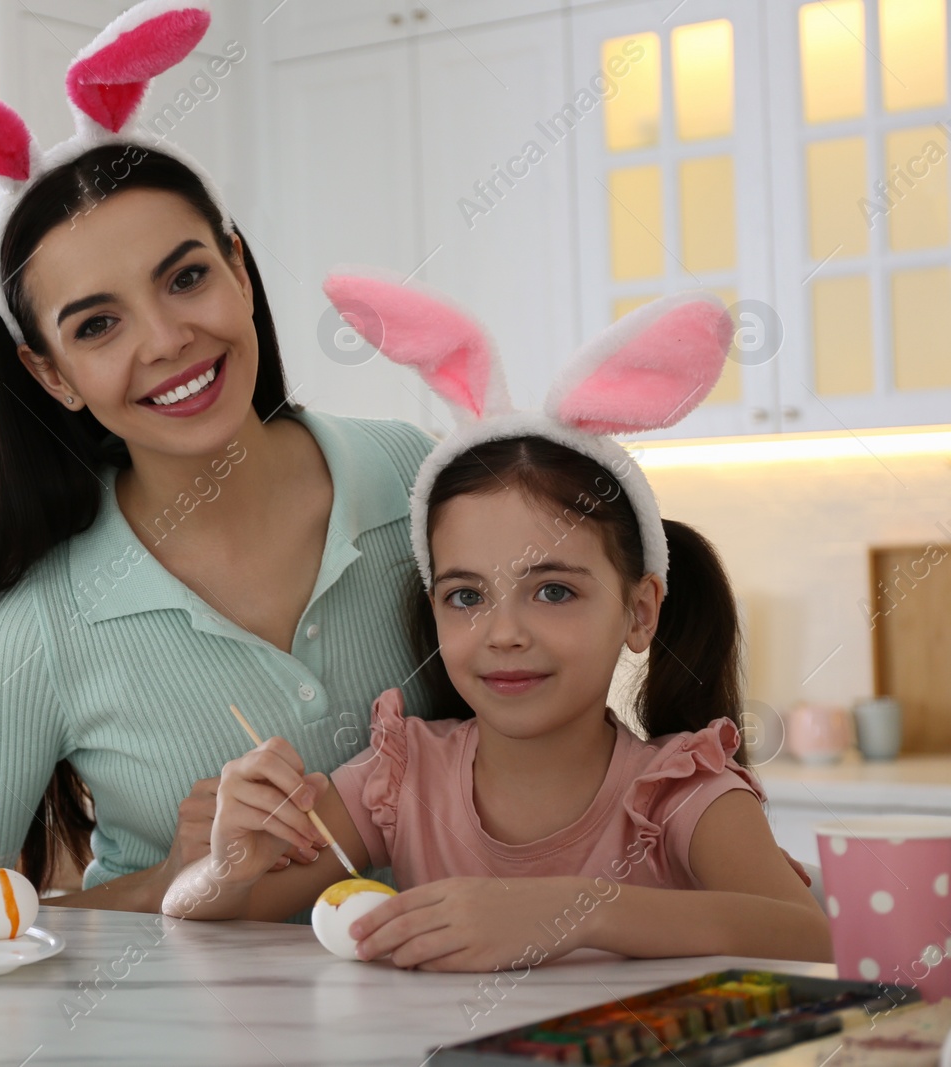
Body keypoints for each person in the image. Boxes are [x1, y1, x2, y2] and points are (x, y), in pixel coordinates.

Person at [0, 3, 435, 909]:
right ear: (52, 372)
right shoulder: (43, 624)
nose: (166, 340)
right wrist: (175, 878)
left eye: (186, 276)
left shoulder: (418, 483)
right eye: (98, 324)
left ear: (236, 266)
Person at [164, 275, 833, 968]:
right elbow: (203, 913)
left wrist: (572, 910)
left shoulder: (679, 792)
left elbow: (814, 935)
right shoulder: (403, 779)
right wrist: (229, 867)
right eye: (466, 596)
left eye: (551, 592)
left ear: (639, 612)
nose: (503, 631)